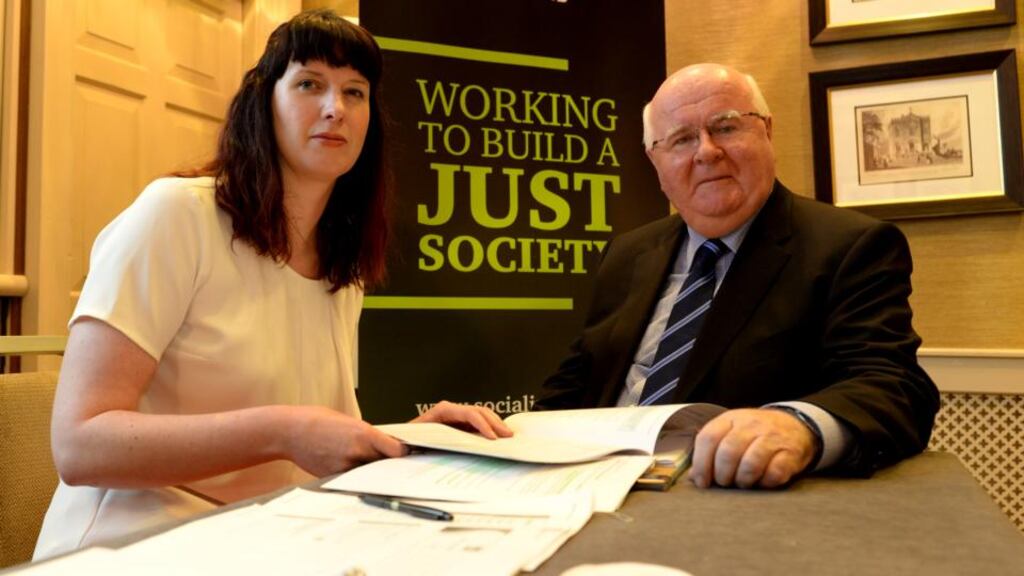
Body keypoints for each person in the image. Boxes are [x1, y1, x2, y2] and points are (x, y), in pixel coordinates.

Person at [34, 10, 510, 560]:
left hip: (274, 536)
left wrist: (414, 438)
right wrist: (284, 429)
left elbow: (315, 432)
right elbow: (79, 445)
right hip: (136, 542)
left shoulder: (342, 264)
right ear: (264, 102)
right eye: (310, 84)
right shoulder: (174, 217)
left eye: (355, 93)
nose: (335, 108)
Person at [535, 63, 939, 490]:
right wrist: (496, 434)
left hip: (724, 496)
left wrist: (800, 426)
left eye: (725, 127)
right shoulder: (627, 253)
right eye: (682, 139)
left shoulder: (850, 246)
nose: (706, 151)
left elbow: (894, 387)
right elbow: (578, 383)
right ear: (656, 162)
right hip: (592, 485)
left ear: (766, 130)